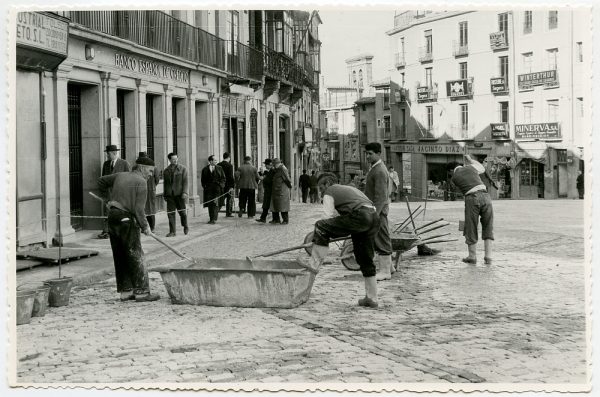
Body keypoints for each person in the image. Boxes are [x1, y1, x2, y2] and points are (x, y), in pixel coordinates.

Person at [307, 181, 380, 308]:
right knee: (364, 257)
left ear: (325, 185)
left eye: (320, 188)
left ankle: (316, 261)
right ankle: (372, 297)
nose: (320, 192)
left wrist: (319, 237)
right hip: (373, 217)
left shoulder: (329, 191)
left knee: (320, 226)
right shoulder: (346, 190)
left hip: (360, 216)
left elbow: (326, 217)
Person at [97, 156, 160, 302]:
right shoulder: (141, 182)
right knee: (135, 254)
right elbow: (139, 210)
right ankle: (142, 292)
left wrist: (108, 201)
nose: (151, 175)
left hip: (113, 217)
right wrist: (146, 227)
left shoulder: (120, 175)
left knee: (120, 254)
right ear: (142, 168)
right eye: (150, 171)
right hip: (126, 219)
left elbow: (101, 181)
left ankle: (126, 292)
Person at [451, 154, 495, 265]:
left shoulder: (454, 177)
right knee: (488, 226)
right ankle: (488, 257)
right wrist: (471, 160)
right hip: (486, 197)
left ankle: (472, 256)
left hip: (472, 198)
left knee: (471, 227)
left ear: (451, 170)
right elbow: (482, 168)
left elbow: (458, 186)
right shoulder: (471, 167)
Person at [363, 142, 394, 281]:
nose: (368, 156)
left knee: (381, 238)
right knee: (381, 237)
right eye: (366, 153)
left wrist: (374, 214)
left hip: (378, 211)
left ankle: (385, 271)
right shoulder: (375, 168)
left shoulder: (380, 170)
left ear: (379, 154)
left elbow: (381, 196)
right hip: (377, 209)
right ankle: (390, 267)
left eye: (370, 154)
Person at [98, 144, 130, 239]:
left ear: (114, 153)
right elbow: (103, 178)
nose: (107, 156)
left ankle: (118, 230)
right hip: (108, 193)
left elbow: (128, 178)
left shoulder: (124, 163)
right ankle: (106, 231)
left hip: (119, 193)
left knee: (118, 211)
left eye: (108, 154)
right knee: (107, 211)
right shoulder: (106, 164)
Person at [163, 153, 189, 237]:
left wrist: (185, 192)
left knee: (182, 212)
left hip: (180, 194)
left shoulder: (183, 169)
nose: (175, 160)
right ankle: (172, 231)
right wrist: (165, 194)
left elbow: (185, 182)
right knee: (170, 213)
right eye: (173, 159)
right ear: (169, 160)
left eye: (176, 159)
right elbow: (165, 184)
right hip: (170, 195)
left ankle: (185, 225)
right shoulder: (166, 170)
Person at [138, 152, 159, 232]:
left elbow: (157, 180)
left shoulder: (154, 168)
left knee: (150, 210)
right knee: (142, 209)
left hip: (150, 191)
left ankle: (152, 227)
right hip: (140, 191)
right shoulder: (136, 168)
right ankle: (144, 227)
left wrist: (152, 187)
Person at [201, 155, 225, 224]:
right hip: (208, 190)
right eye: (215, 160)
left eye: (216, 160)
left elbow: (223, 178)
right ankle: (211, 218)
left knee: (216, 203)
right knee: (210, 204)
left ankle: (214, 219)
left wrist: (221, 186)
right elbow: (203, 180)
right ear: (210, 161)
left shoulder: (220, 168)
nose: (216, 161)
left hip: (217, 189)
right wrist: (205, 187)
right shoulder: (205, 169)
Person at [270, 158, 292, 224]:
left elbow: (287, 179)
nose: (273, 166)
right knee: (275, 205)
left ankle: (285, 220)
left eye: (274, 165)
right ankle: (276, 220)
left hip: (282, 190)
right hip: (277, 190)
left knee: (283, 206)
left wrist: (289, 186)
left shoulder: (282, 169)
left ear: (277, 164)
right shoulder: (278, 169)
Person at [256, 159, 274, 223]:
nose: (265, 166)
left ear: (269, 165)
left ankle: (264, 218)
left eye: (266, 165)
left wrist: (264, 178)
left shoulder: (272, 171)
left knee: (267, 205)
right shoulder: (269, 171)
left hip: (270, 190)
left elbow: (268, 180)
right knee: (266, 205)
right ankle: (263, 218)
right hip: (267, 190)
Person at [217, 152, 235, 217]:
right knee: (229, 199)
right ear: (229, 158)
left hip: (220, 185)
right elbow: (230, 176)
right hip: (228, 185)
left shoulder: (218, 164)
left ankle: (216, 211)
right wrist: (232, 186)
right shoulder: (230, 165)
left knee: (220, 199)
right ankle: (228, 213)